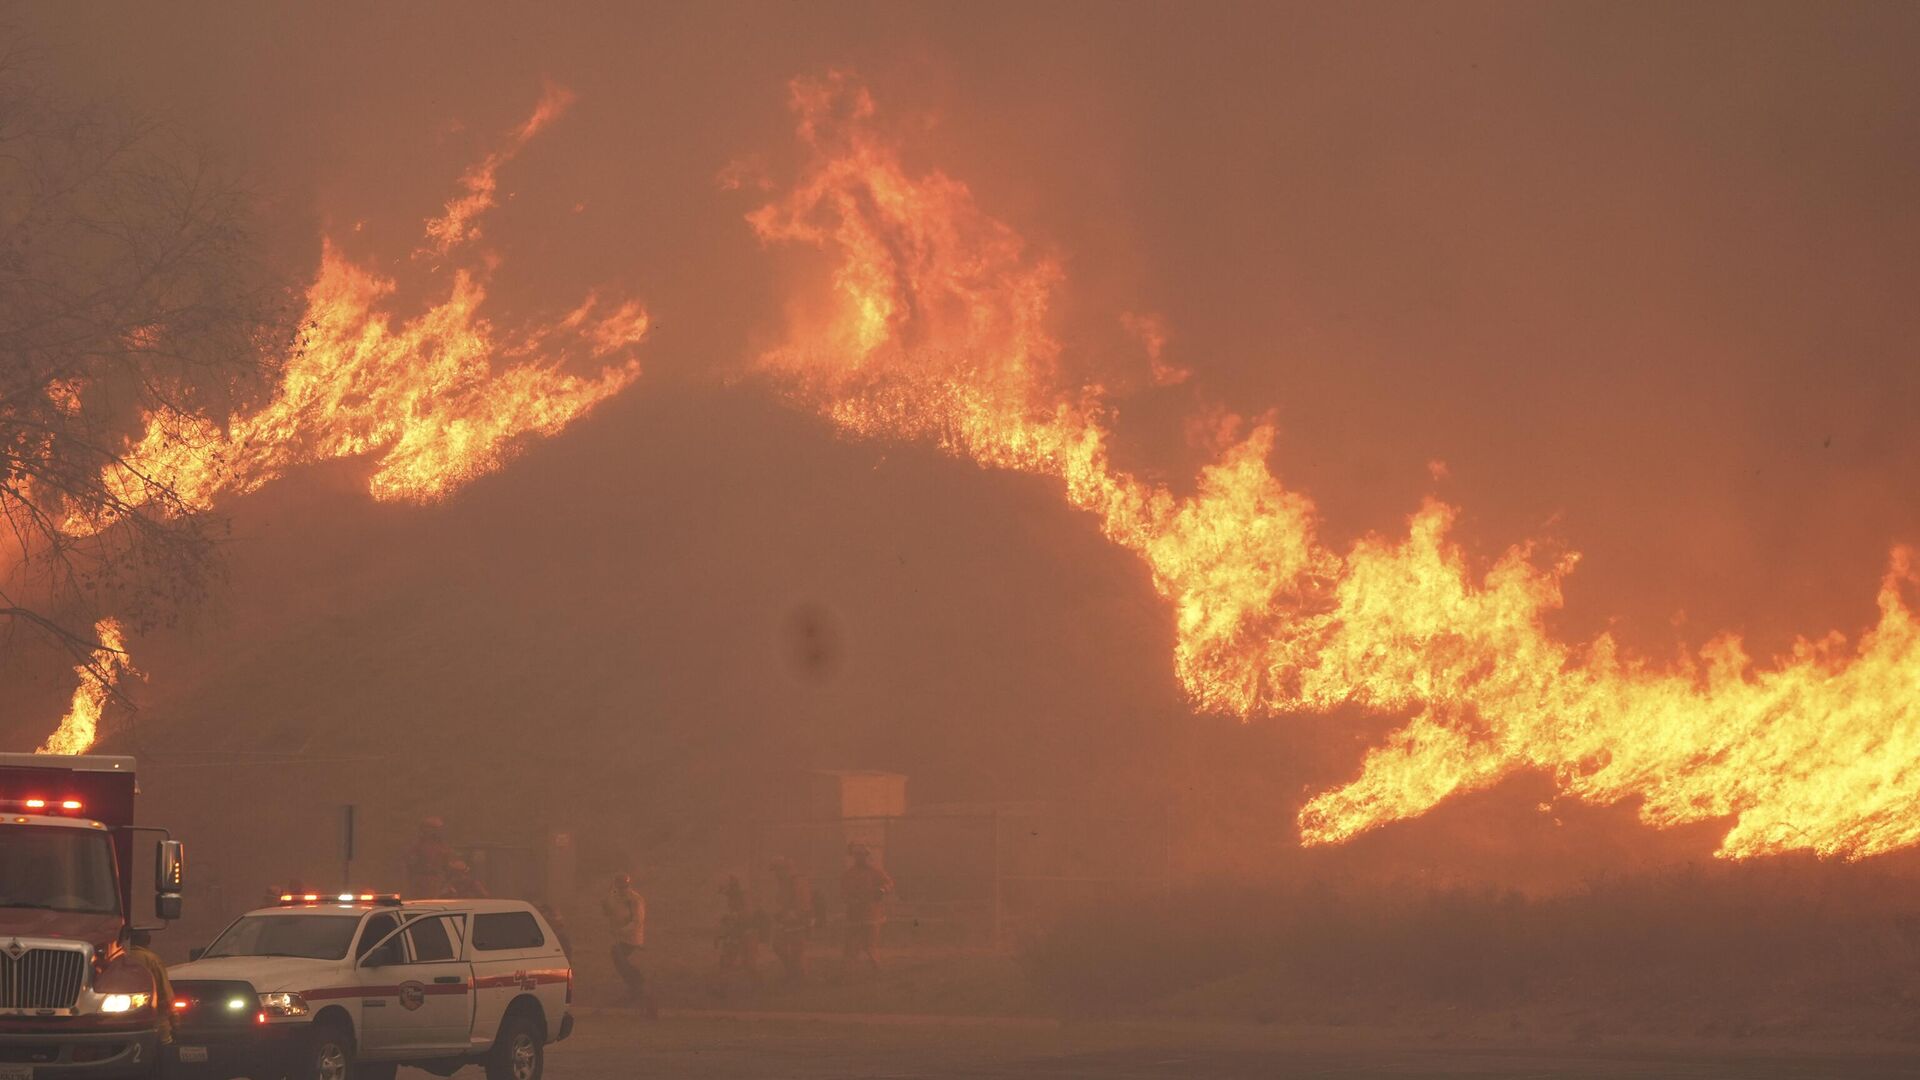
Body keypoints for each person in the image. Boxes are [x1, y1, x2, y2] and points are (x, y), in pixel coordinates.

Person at [839, 842, 893, 972]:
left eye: (862, 855)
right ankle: (848, 973)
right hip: (854, 915)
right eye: (857, 855)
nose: (860, 858)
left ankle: (877, 970)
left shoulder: (875, 872)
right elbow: (843, 892)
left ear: (866, 856)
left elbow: (889, 883)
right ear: (854, 857)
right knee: (851, 946)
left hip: (871, 914)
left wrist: (882, 890)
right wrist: (849, 900)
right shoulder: (848, 874)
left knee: (870, 946)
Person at [601, 872, 648, 1006]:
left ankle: (637, 982)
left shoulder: (635, 899)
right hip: (618, 937)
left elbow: (637, 921)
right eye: (619, 886)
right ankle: (634, 984)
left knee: (618, 955)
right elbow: (610, 911)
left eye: (624, 887)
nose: (621, 890)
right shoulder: (614, 897)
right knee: (618, 958)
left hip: (632, 938)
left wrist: (621, 930)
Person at [769, 857, 814, 982]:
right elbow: (781, 901)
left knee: (797, 951)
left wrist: (792, 914)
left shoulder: (797, 881)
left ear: (786, 869)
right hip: (786, 921)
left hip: (797, 921)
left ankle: (799, 977)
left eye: (778, 870)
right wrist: (779, 913)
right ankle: (793, 972)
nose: (776, 874)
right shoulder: (783, 882)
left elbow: (803, 903)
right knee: (778, 945)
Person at [126, 931, 173, 1047]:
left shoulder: (121, 959)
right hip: (155, 1022)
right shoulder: (152, 959)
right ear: (148, 940)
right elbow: (165, 993)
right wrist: (175, 1019)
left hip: (126, 1022)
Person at [714, 874, 762, 980]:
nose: (725, 894)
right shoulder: (731, 898)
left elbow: (749, 914)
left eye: (726, 891)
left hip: (749, 931)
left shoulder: (743, 896)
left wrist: (735, 916)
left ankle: (759, 986)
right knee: (727, 959)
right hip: (737, 931)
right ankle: (722, 984)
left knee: (750, 963)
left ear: (732, 887)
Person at [405, 817, 455, 899]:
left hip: (438, 880)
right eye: (433, 829)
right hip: (422, 880)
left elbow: (448, 864)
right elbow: (409, 863)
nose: (437, 832)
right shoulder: (417, 845)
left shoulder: (443, 846)